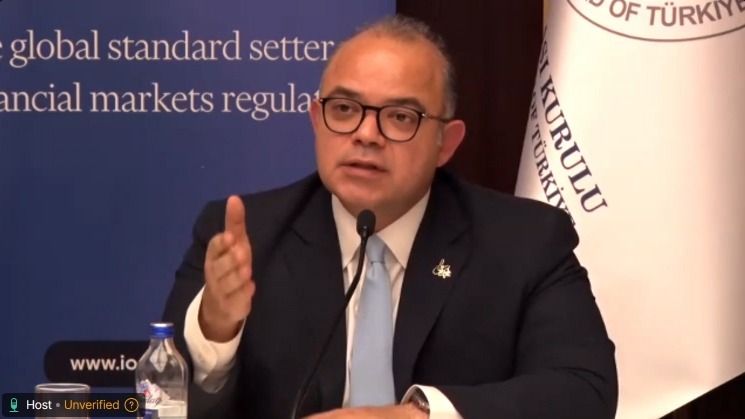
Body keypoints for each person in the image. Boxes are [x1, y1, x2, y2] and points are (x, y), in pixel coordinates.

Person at [162, 14, 618, 419]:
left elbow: (585, 391)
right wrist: (216, 331)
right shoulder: (247, 236)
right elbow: (165, 400)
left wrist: (416, 417)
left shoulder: (525, 242)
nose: (366, 134)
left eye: (400, 116)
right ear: (316, 121)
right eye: (344, 109)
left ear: (447, 143)